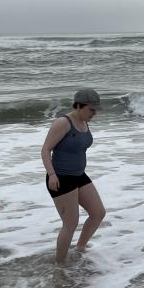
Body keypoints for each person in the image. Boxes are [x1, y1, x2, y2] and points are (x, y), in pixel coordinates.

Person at [42, 88, 107, 263]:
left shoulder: (84, 122)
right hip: (61, 178)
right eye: (91, 109)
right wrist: (52, 174)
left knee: (98, 213)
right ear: (79, 106)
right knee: (70, 224)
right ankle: (59, 263)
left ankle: (80, 248)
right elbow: (45, 149)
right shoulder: (63, 123)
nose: (94, 113)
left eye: (95, 110)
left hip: (79, 175)